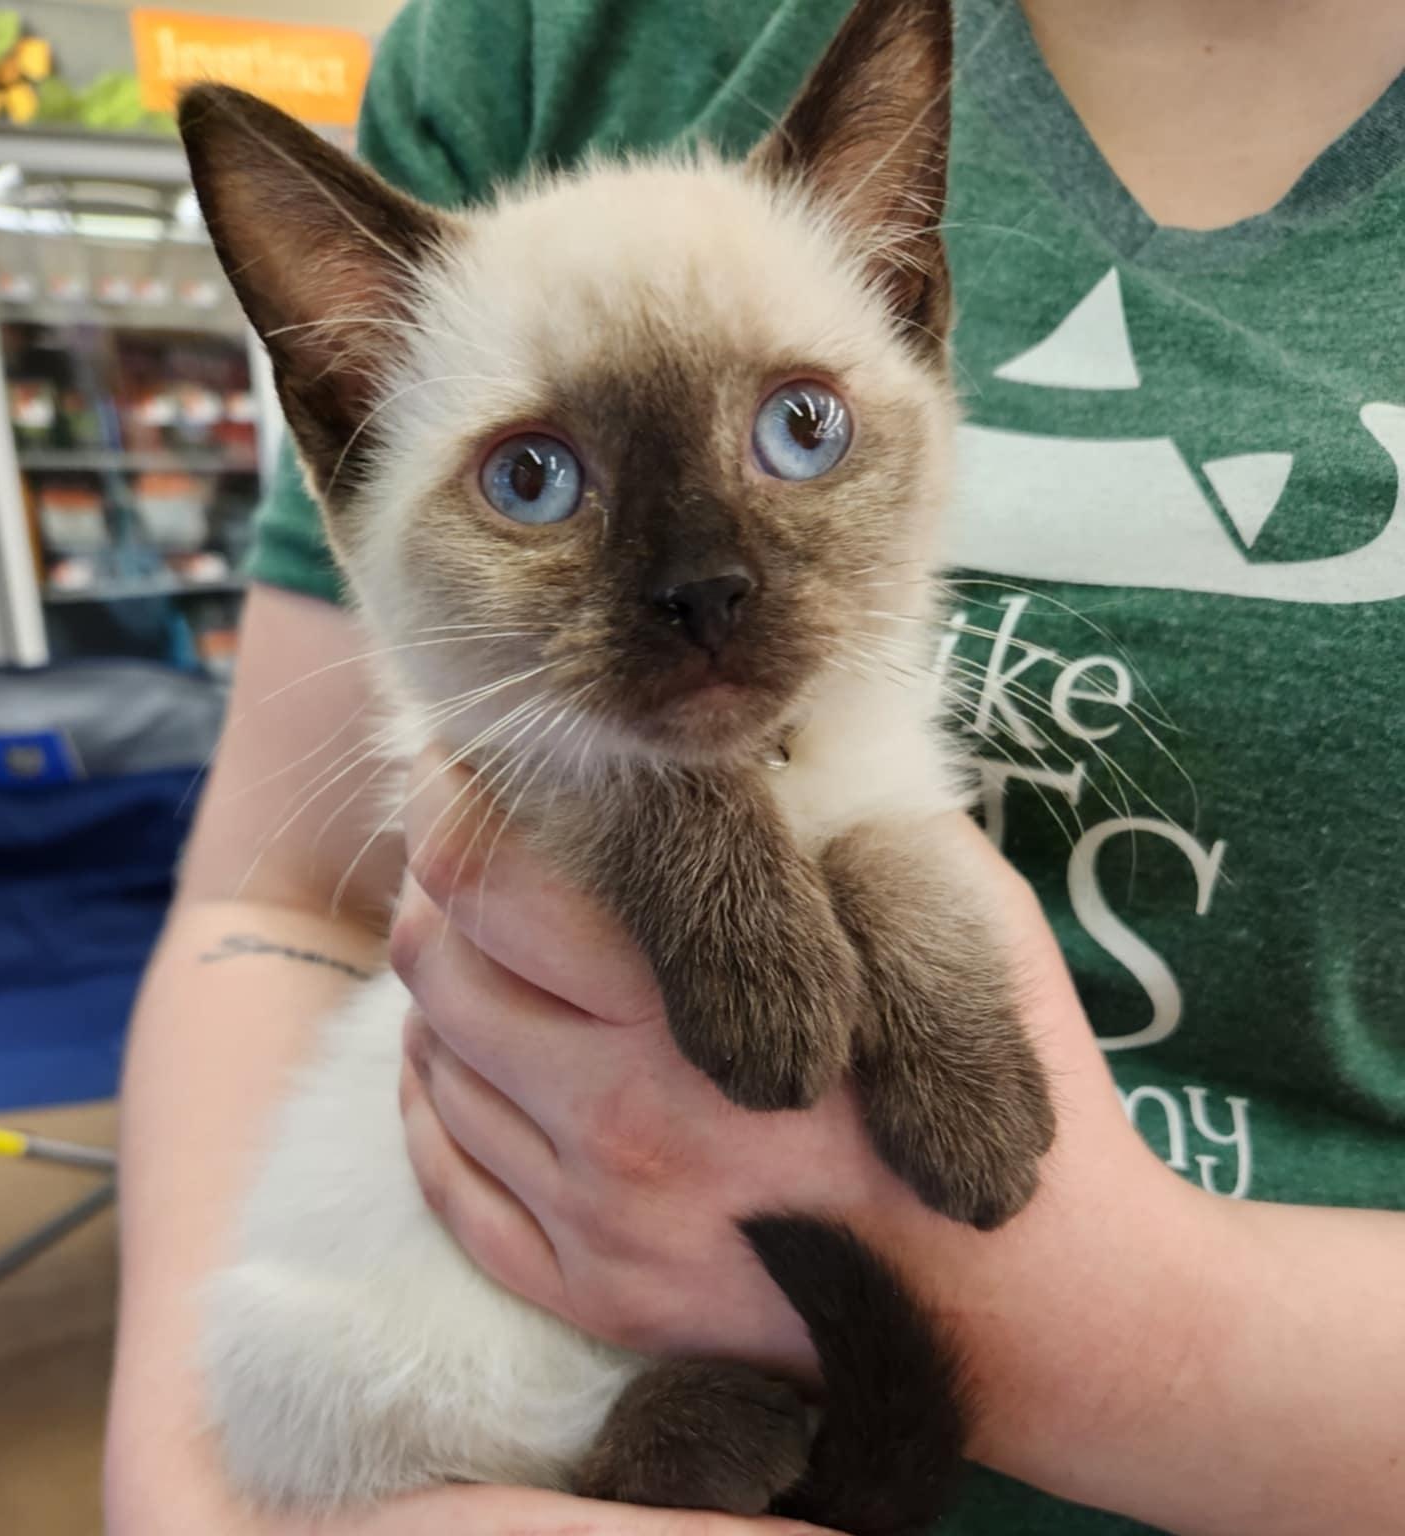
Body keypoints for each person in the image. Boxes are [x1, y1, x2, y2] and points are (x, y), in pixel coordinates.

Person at [103, 1, 1405, 1532]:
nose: (700, 580)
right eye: (534, 479)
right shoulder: (532, 39)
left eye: (798, 426)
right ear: (350, 423)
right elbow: (294, 902)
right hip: (457, 1422)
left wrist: (1086, 1323)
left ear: (908, 296)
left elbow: (876, 829)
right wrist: (188, 1501)